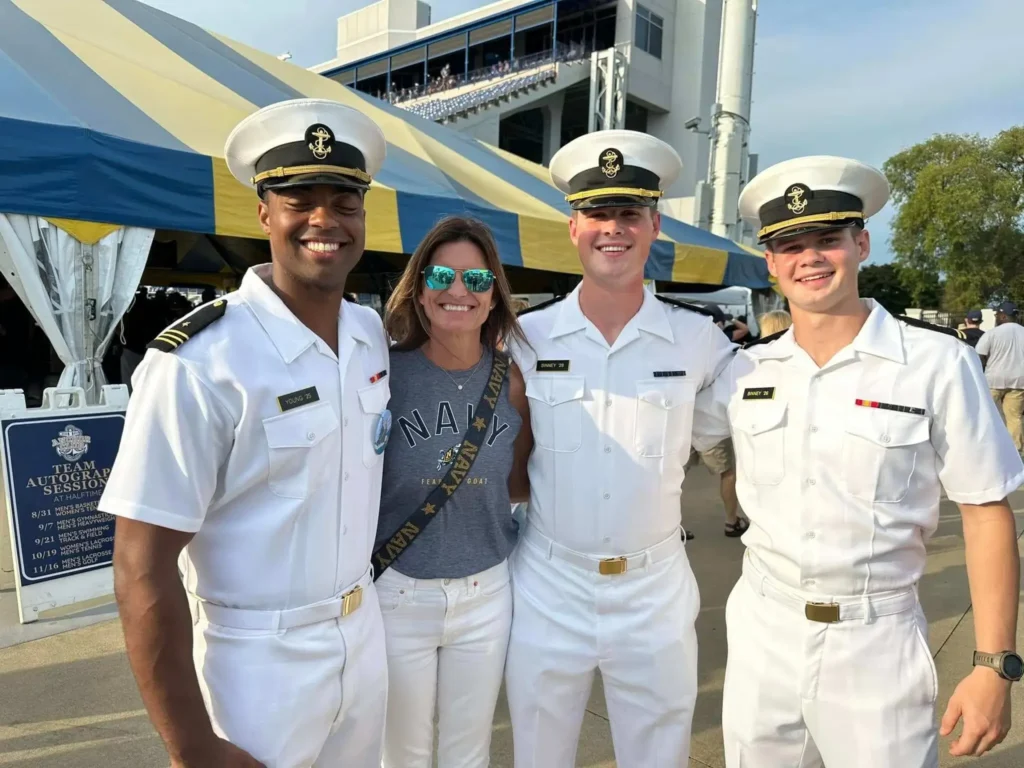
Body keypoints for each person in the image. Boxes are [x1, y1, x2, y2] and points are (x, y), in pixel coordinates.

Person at [693, 155, 1024, 768]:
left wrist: (993, 665)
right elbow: (662, 441)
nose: (810, 258)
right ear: (770, 261)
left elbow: (985, 512)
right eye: (790, 245)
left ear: (861, 243)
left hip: (876, 640)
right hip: (763, 631)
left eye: (828, 240)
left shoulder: (935, 364)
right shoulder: (742, 371)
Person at [100, 99, 392, 768]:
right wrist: (194, 746)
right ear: (264, 212)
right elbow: (140, 568)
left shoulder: (368, 336)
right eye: (299, 199)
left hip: (363, 635)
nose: (325, 220)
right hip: (257, 665)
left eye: (345, 201)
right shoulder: (200, 362)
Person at [504, 130, 736, 766]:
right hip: (550, 582)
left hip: (655, 587)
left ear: (654, 225)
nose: (614, 229)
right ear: (573, 226)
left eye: (629, 214)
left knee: (658, 756)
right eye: (598, 214)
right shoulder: (527, 336)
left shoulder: (701, 343)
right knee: (538, 753)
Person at [374, 216, 532, 767]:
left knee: (470, 751)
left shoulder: (513, 381)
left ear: (494, 296)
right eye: (441, 277)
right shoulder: (383, 376)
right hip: (397, 592)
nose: (458, 291)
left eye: (477, 280)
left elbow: (517, 485)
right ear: (418, 291)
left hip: (486, 592)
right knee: (402, 753)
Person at [976, 302, 1024, 455]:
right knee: (1014, 417)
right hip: (1019, 381)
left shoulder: (991, 334)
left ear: (1004, 316)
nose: (996, 317)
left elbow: (980, 356)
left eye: (997, 315)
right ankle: (1016, 452)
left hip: (993, 381)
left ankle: (988, 448)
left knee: (988, 414)